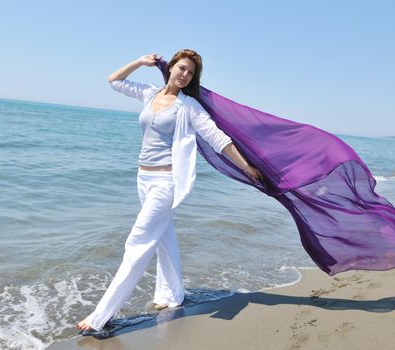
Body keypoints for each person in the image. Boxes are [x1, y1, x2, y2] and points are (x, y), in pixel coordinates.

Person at [76, 49, 262, 332]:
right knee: (164, 238)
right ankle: (172, 295)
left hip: (165, 184)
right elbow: (114, 80)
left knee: (137, 242)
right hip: (143, 180)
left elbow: (217, 138)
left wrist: (247, 167)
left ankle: (101, 315)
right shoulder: (150, 94)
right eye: (182, 68)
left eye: (191, 73)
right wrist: (140, 62)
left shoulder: (189, 107)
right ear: (171, 67)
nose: (185, 75)